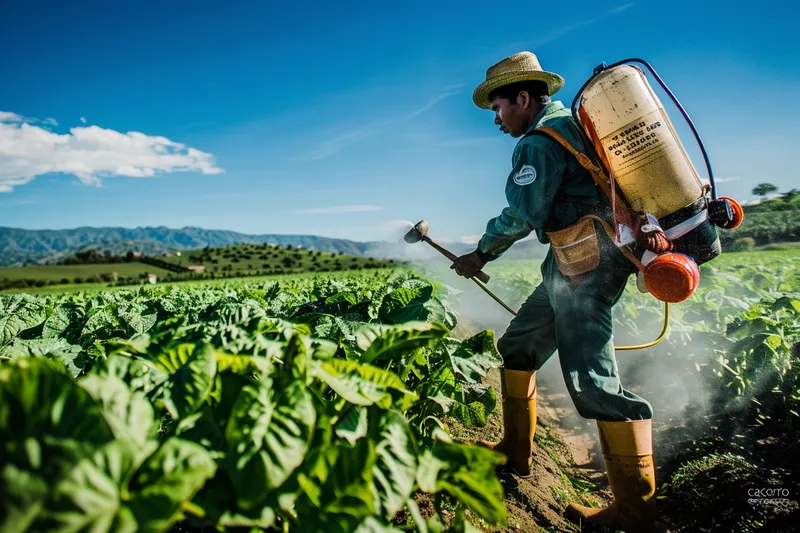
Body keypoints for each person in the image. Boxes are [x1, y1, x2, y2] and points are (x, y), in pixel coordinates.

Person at [450, 51, 661, 532]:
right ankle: (514, 452)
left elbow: (522, 215)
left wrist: (479, 254)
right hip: (571, 260)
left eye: (499, 109)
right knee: (519, 345)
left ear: (523, 98)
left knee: (593, 381)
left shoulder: (539, 143)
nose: (497, 120)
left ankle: (637, 514)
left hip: (586, 270)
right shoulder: (571, 123)